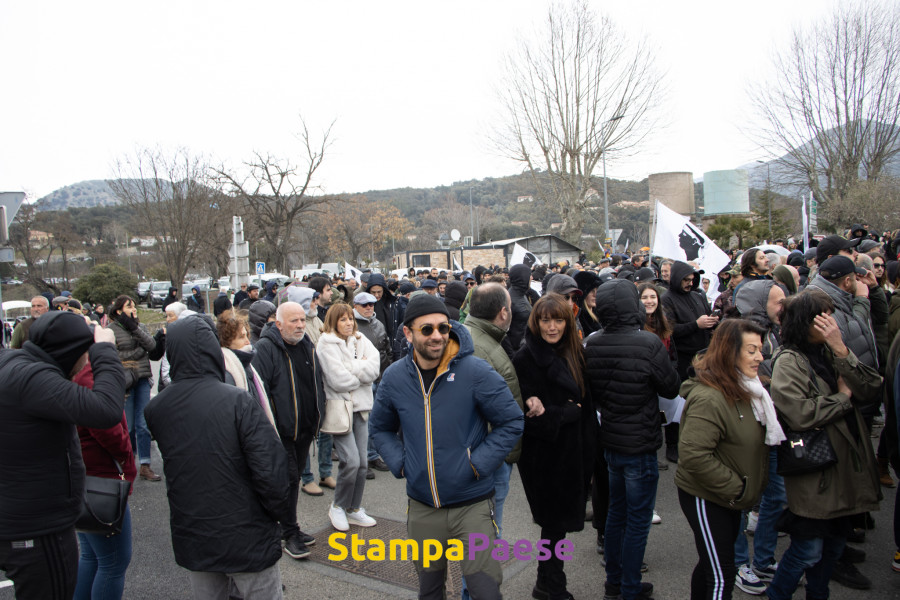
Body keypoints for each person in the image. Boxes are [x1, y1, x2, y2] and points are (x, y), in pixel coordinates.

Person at [370, 294, 524, 600]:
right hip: (423, 509)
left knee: (485, 592)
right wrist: (401, 463)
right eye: (427, 329)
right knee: (429, 592)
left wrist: (477, 463)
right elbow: (380, 427)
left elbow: (511, 421)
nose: (437, 335)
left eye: (443, 327)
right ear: (408, 333)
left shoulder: (474, 371)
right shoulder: (395, 377)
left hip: (473, 506)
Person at [145, 315, 291, 600]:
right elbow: (270, 468)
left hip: (194, 531)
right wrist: (278, 515)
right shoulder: (236, 400)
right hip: (246, 531)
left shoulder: (157, 408)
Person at [0, 311, 125, 600]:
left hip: (16, 516)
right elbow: (106, 410)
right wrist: (105, 349)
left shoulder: (12, 362)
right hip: (36, 529)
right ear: (73, 352)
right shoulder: (32, 379)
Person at [766, 290, 883, 600]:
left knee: (833, 547)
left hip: (845, 465)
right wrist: (842, 399)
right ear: (808, 322)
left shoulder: (832, 351)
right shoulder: (789, 360)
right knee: (808, 549)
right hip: (814, 469)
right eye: (824, 317)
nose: (832, 323)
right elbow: (799, 413)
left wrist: (842, 350)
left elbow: (871, 387)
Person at [585, 281, 681, 600]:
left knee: (616, 513)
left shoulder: (591, 343)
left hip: (610, 438)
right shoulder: (649, 344)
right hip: (640, 443)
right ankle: (628, 588)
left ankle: (614, 581)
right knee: (638, 519)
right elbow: (670, 388)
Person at [676, 319, 783, 600]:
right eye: (752, 350)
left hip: (731, 497)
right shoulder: (710, 397)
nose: (760, 357)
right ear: (729, 352)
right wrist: (738, 487)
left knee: (711, 564)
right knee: (721, 575)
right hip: (708, 496)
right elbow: (694, 456)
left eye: (760, 349)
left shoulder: (750, 389)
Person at [514, 293, 593, 600]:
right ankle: (552, 584)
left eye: (558, 320)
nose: (552, 327)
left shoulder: (574, 351)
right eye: (545, 320)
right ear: (536, 321)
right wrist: (566, 413)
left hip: (573, 452)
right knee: (553, 524)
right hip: (545, 457)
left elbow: (587, 400)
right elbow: (526, 418)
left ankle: (546, 581)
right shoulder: (526, 358)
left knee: (557, 527)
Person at [251, 301, 325, 560]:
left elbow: (316, 383)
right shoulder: (266, 349)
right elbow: (260, 393)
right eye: (294, 321)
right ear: (278, 323)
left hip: (304, 427)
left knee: (292, 482)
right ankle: (288, 534)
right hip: (281, 432)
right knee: (287, 482)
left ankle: (291, 527)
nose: (300, 325)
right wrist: (272, 427)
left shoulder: (306, 345)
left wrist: (319, 414)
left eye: (303, 320)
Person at [73, 361, 137, 600]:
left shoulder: (66, 371)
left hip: (83, 477)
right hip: (101, 481)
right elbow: (106, 427)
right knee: (114, 562)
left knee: (92, 556)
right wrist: (126, 456)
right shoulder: (88, 375)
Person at [317, 304, 380, 531]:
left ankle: (353, 508)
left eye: (350, 319)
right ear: (334, 321)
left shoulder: (361, 339)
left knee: (362, 463)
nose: (349, 323)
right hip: (339, 410)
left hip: (361, 407)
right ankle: (338, 506)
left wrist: (353, 368)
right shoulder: (325, 344)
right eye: (343, 320)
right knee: (350, 461)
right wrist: (361, 371)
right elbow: (337, 380)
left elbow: (374, 368)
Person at [662, 261, 718, 464]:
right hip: (682, 359)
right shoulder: (667, 299)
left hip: (702, 357)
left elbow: (704, 319)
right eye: (685, 280)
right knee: (677, 404)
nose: (689, 283)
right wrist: (696, 325)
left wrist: (711, 323)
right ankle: (672, 444)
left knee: (702, 403)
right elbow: (670, 330)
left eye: (692, 280)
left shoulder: (697, 296)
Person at [107, 295, 165, 482]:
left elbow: (152, 345)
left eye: (134, 307)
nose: (133, 310)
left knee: (143, 424)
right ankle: (126, 463)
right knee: (128, 425)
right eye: (128, 307)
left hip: (141, 379)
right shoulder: (111, 330)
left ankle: (145, 465)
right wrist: (140, 352)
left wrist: (134, 328)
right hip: (124, 381)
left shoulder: (139, 327)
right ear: (118, 311)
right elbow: (117, 355)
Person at [218, 310, 275, 428]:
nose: (247, 341)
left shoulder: (247, 364)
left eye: (247, 335)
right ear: (226, 341)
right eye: (241, 337)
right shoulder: (226, 372)